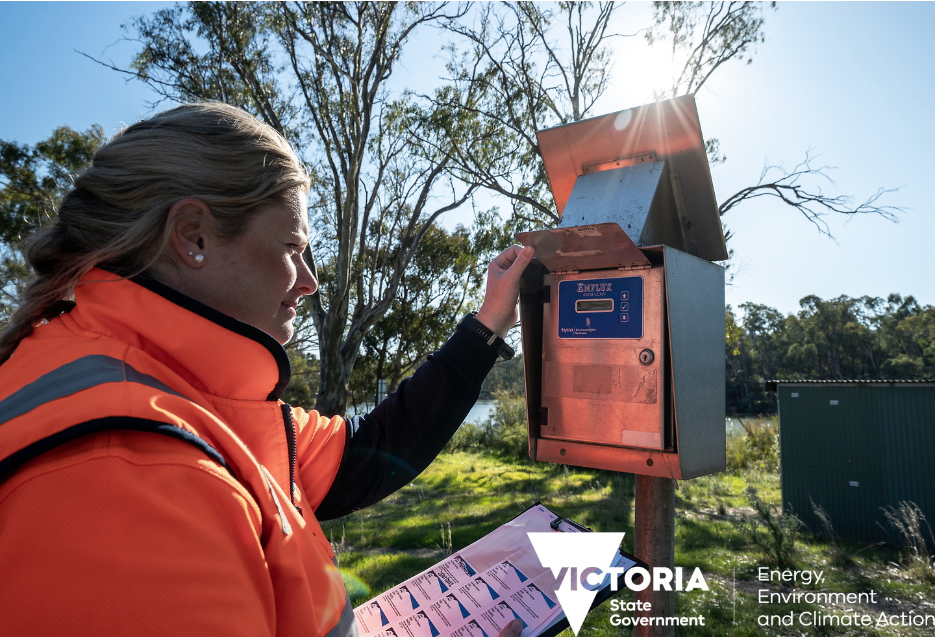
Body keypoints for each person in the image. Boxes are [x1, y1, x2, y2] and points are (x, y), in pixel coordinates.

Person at [0, 102, 533, 636]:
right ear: (193, 236)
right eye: (292, 248)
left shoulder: (185, 392)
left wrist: (488, 324)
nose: (310, 281)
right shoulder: (130, 472)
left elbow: (370, 451)